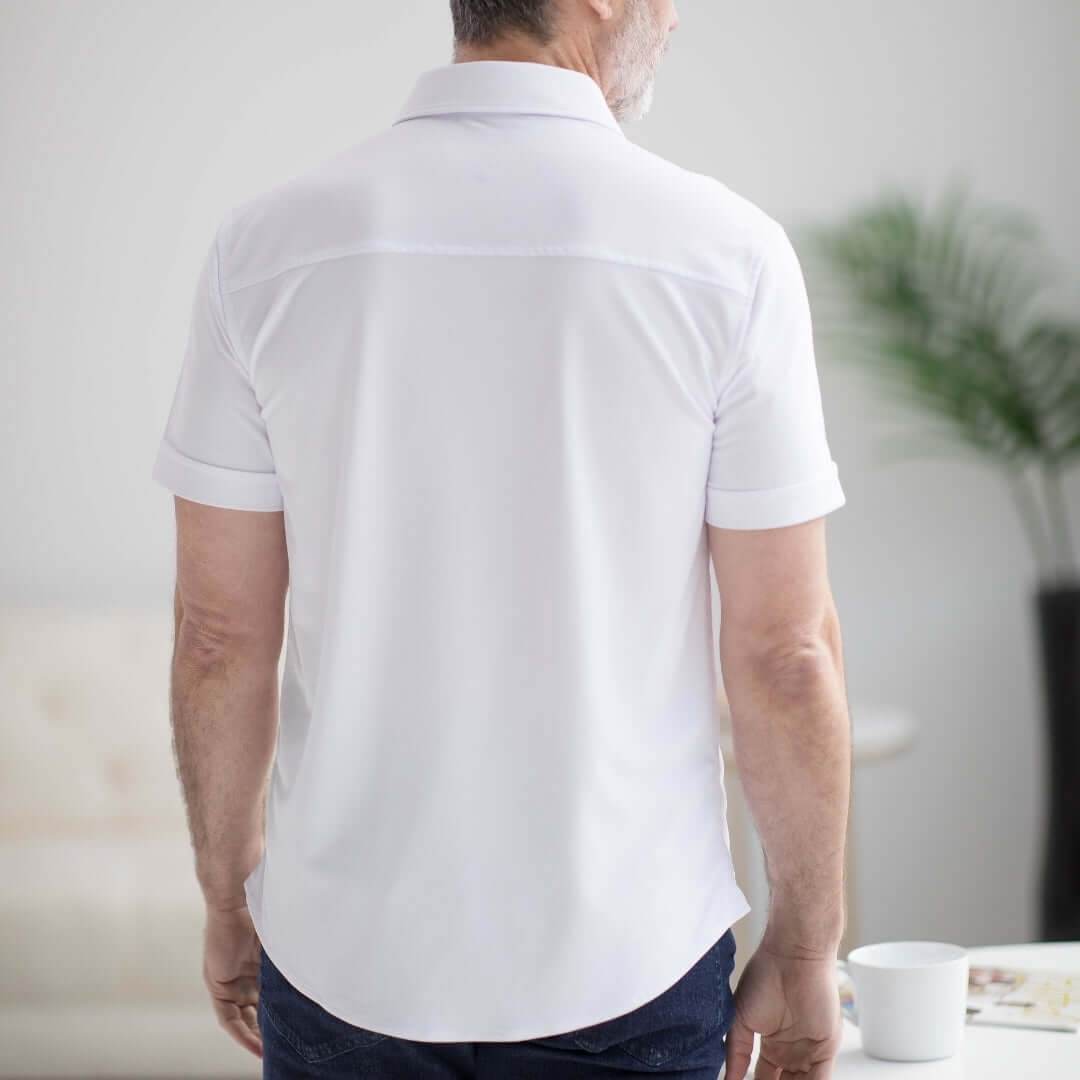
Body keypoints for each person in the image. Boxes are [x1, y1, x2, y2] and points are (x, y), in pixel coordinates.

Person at [152, 1, 852, 1077]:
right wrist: (805, 941)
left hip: (343, 964)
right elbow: (785, 655)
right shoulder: (729, 257)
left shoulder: (266, 248)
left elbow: (216, 635)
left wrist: (228, 893)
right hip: (629, 959)